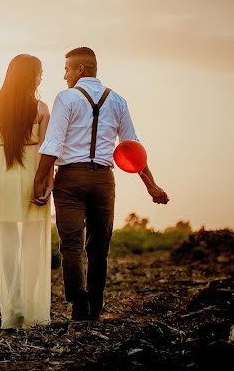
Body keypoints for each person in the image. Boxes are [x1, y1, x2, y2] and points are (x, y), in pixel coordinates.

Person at [31, 47, 169, 321]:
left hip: (70, 179)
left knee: (70, 244)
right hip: (104, 180)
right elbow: (131, 148)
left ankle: (78, 301)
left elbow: (53, 143)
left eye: (67, 69)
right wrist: (151, 185)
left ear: (81, 69)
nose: (64, 75)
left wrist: (38, 180)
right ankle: (95, 305)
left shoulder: (66, 98)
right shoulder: (117, 100)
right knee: (99, 247)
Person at [0, 54, 52, 329]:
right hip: (32, 175)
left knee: (7, 239)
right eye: (40, 73)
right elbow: (47, 151)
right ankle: (30, 305)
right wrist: (46, 184)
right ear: (32, 76)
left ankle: (15, 305)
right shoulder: (41, 109)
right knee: (33, 238)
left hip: (1, 174)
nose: (42, 77)